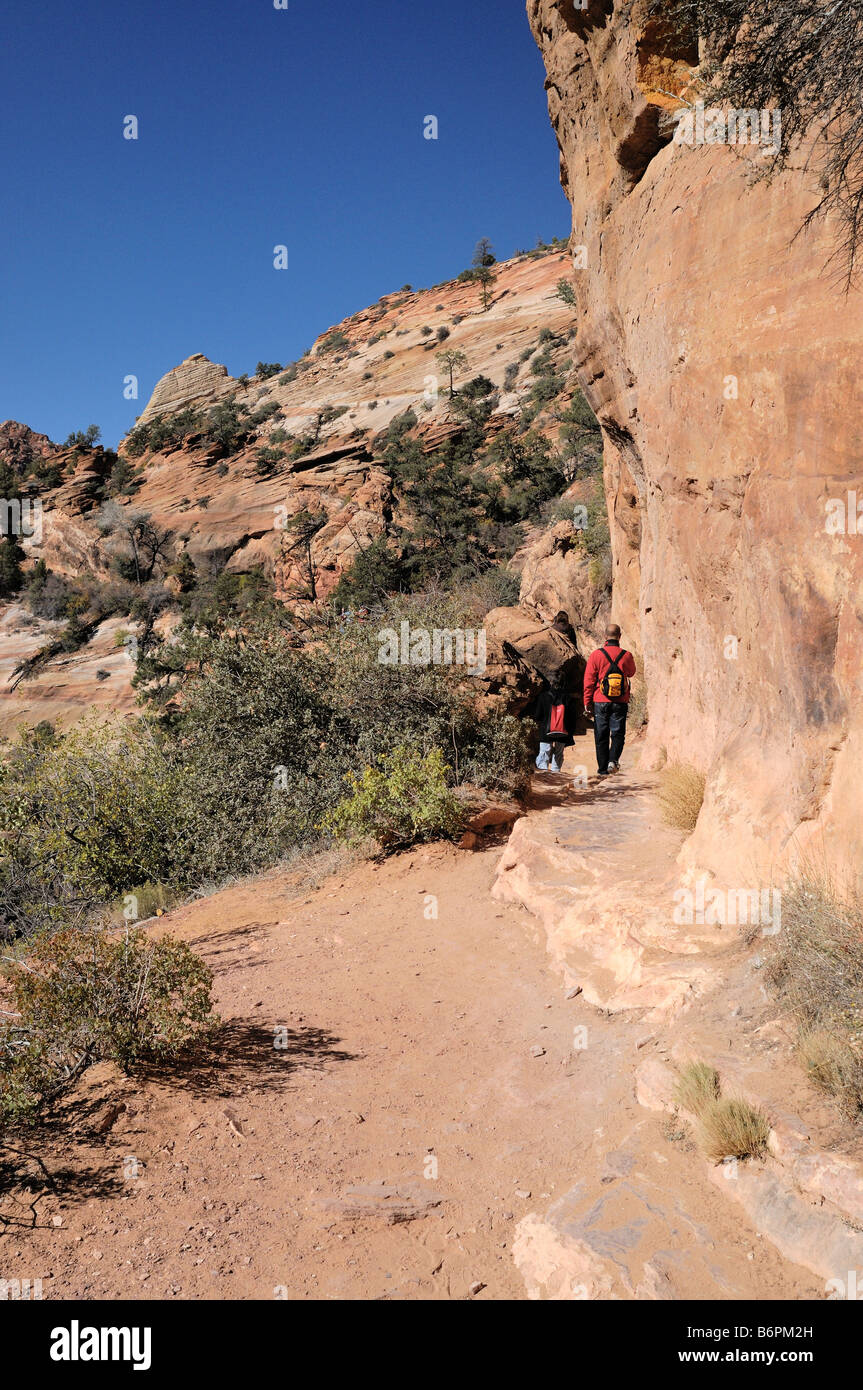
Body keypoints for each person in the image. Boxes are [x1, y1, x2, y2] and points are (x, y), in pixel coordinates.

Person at [583, 623, 636, 776]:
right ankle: (613, 760)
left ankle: (602, 769)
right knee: (618, 733)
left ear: (605, 636)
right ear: (620, 637)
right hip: (620, 700)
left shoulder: (596, 655)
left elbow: (589, 681)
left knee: (601, 734)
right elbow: (631, 672)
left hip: (600, 700)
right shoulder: (627, 655)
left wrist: (587, 702)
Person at [529, 681, 578, 774]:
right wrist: (570, 732)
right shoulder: (568, 698)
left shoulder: (543, 696)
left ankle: (543, 774)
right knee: (558, 753)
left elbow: (538, 716)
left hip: (545, 730)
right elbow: (573, 717)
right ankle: (556, 773)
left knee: (544, 751)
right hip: (563, 730)